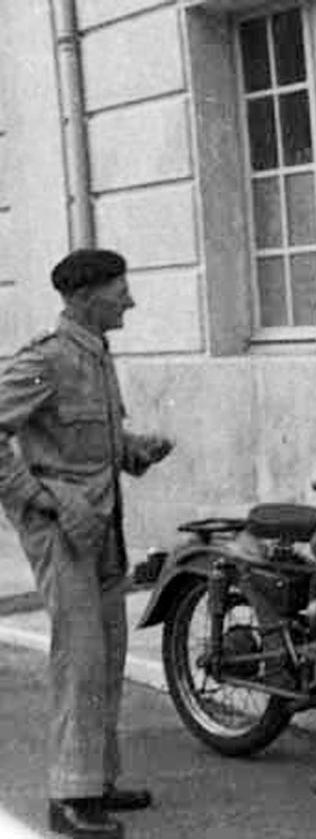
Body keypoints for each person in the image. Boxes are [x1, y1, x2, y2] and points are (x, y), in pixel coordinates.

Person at [0, 249, 173, 838]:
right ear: (83, 297)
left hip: (100, 527)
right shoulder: (45, 361)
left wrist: (135, 448)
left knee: (107, 654)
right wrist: (41, 499)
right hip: (61, 531)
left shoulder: (96, 357)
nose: (130, 300)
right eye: (119, 290)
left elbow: (92, 439)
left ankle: (96, 780)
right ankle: (68, 797)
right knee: (79, 659)